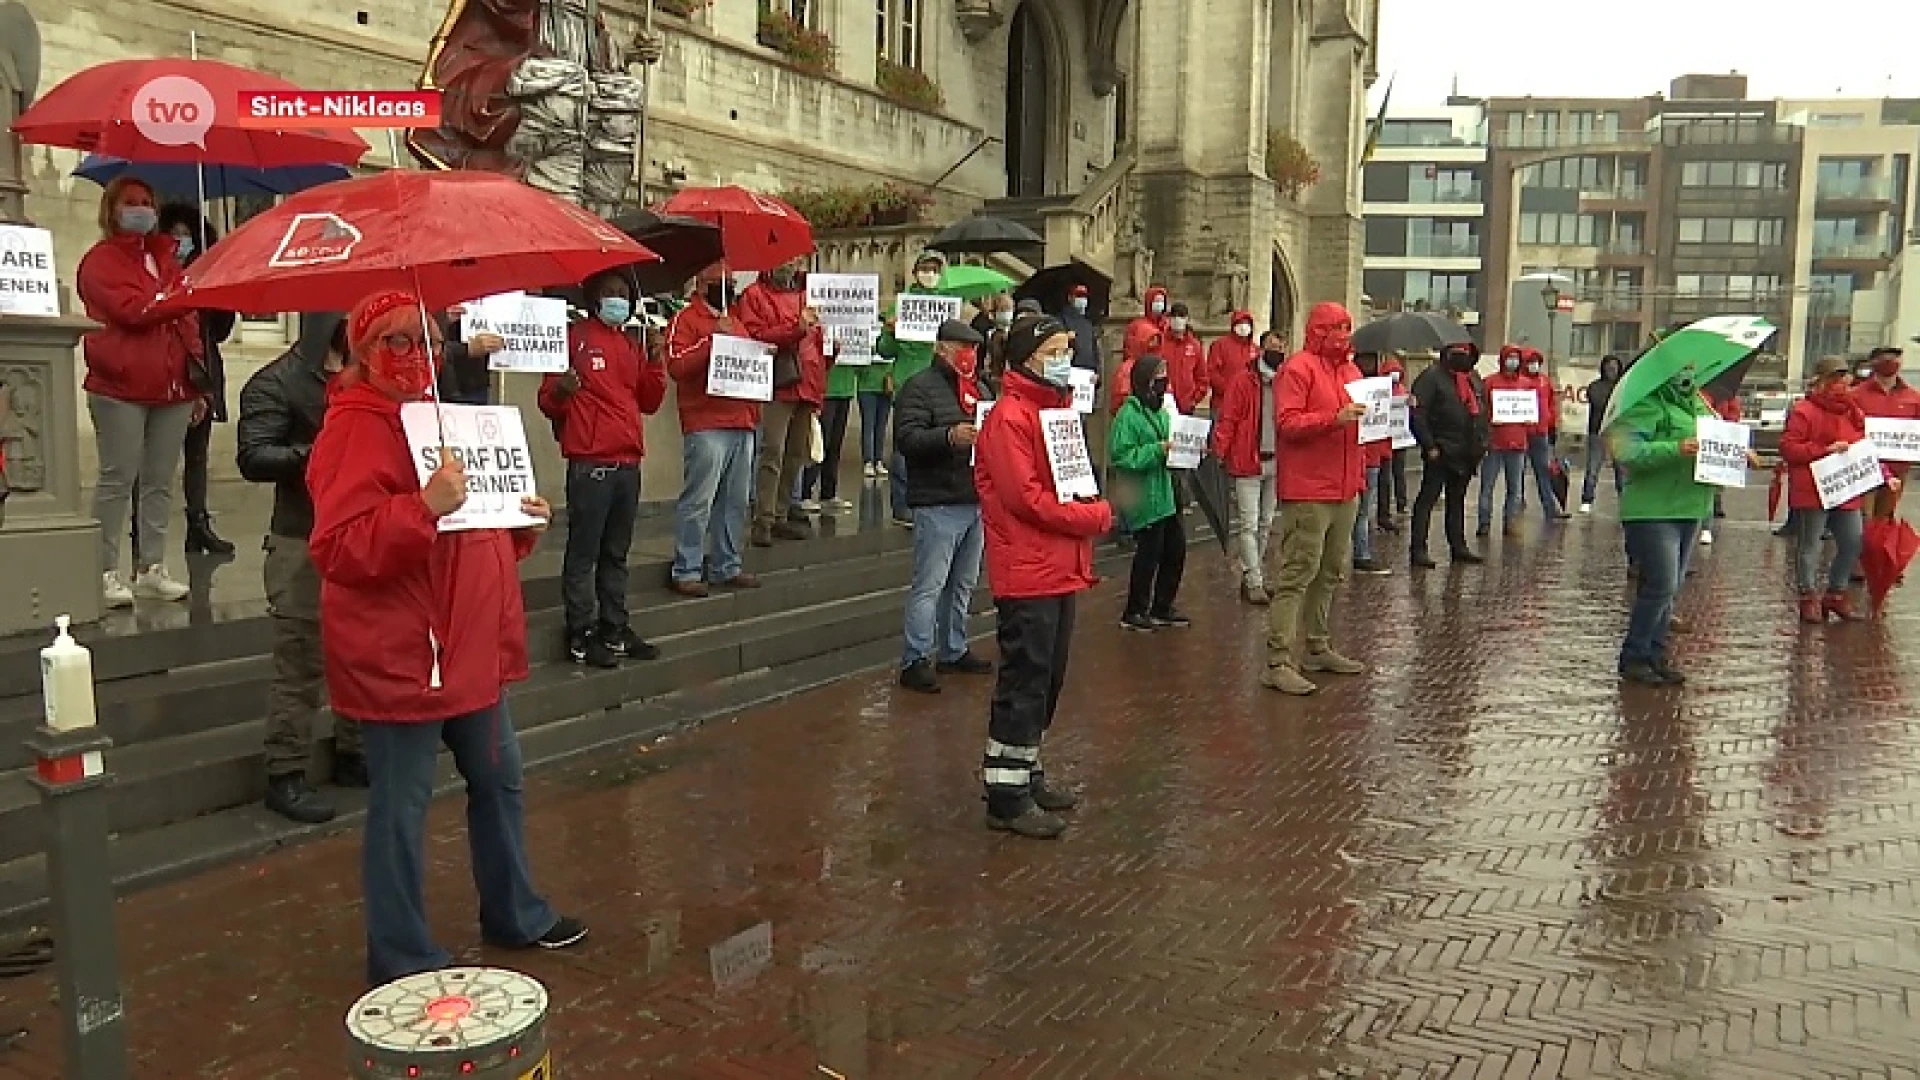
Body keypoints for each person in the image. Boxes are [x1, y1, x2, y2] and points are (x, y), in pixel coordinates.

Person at [307, 289, 586, 986]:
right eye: (397, 342)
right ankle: (400, 952)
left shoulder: (443, 417)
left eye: (428, 341)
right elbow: (340, 549)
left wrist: (515, 522)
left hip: (468, 647)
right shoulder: (353, 429)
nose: (417, 356)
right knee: (400, 808)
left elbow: (468, 534)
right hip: (403, 655)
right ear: (363, 355)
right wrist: (422, 508)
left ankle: (515, 911)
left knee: (501, 782)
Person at [975, 317, 1113, 839]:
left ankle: (1024, 769)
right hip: (1028, 568)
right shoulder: (1012, 417)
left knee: (1047, 677)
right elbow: (1025, 499)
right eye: (1055, 350)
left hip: (1057, 565)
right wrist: (1092, 517)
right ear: (1030, 357)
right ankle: (1006, 796)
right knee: (1025, 677)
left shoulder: (1054, 411)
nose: (1064, 359)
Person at [236, 311, 363, 825]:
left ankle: (356, 751)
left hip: (358, 533)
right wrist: (318, 453)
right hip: (301, 537)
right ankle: (286, 771)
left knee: (358, 651)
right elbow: (254, 457)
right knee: (301, 661)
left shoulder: (364, 376)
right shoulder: (275, 382)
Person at [76, 176, 201, 606]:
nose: (141, 209)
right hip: (119, 386)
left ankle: (151, 566)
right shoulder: (101, 262)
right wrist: (179, 297)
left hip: (172, 388)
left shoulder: (165, 258)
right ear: (111, 210)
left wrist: (196, 381)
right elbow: (134, 311)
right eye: (131, 202)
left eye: (148, 202)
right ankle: (102, 570)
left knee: (159, 481)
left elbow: (187, 323)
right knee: (118, 478)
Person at [538, 270, 666, 668]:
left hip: (627, 462)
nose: (619, 300)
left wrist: (656, 360)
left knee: (616, 553)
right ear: (595, 298)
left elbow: (649, 401)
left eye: (625, 295)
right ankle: (581, 632)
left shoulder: (632, 345)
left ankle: (614, 627)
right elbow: (547, 399)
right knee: (584, 553)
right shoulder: (574, 340)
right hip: (591, 462)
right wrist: (563, 390)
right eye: (611, 294)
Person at [1263, 302, 1369, 697]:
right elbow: (1287, 423)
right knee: (1297, 573)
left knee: (1330, 571)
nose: (1343, 335)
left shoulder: (1351, 371)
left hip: (1343, 489)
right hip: (1309, 490)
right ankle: (1277, 661)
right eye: (1336, 329)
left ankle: (1317, 645)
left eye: (1347, 328)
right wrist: (1334, 419)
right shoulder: (1298, 368)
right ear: (1319, 331)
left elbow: (1362, 429)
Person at [893, 320, 994, 693]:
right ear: (942, 349)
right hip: (937, 499)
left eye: (973, 349)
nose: (969, 356)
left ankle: (953, 648)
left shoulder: (980, 388)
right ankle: (915, 658)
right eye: (961, 348)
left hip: (973, 497)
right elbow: (906, 438)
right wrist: (949, 436)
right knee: (930, 584)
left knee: (963, 583)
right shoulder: (919, 387)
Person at [1608, 358, 1716, 685]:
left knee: (1670, 588)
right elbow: (1627, 453)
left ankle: (1655, 653)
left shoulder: (1700, 405)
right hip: (1652, 509)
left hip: (1690, 505)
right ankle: (1635, 655)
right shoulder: (1644, 406)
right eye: (1681, 367)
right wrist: (1676, 447)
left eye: (1691, 367)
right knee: (1661, 584)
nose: (1688, 373)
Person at [665, 264, 762, 598]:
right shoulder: (686, 319)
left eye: (732, 283)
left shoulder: (735, 322)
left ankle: (726, 564)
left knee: (734, 501)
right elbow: (676, 364)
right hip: (705, 423)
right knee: (699, 501)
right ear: (701, 284)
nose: (728, 288)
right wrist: (711, 340)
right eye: (721, 283)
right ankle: (687, 568)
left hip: (740, 422)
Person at [1781, 355, 1887, 624]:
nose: (1840, 383)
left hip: (1845, 490)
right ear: (1821, 381)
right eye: (1834, 378)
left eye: (1843, 378)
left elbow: (1864, 449)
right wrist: (1823, 451)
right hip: (1813, 490)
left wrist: (1884, 475)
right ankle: (1808, 597)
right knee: (1810, 545)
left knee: (1853, 541)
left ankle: (1835, 593)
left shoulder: (1852, 411)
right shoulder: (1804, 410)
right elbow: (1789, 448)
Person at [157, 204, 237, 557]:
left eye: (186, 233)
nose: (180, 239)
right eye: (173, 232)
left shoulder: (206, 271)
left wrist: (220, 298)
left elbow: (219, 331)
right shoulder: (158, 273)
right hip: (165, 371)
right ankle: (144, 534)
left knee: (197, 454)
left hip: (202, 368)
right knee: (157, 457)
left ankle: (198, 524)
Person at [737, 256, 828, 547]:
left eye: (795, 259)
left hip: (806, 382)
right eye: (783, 259)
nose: (789, 264)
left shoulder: (807, 293)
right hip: (778, 383)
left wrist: (832, 353)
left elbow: (816, 344)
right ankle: (763, 518)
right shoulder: (754, 294)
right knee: (772, 452)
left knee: (795, 455)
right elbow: (755, 337)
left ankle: (780, 513)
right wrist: (796, 328)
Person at [1109, 354, 1188, 631]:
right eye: (1158, 375)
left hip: (1165, 493)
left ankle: (1162, 605)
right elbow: (1121, 455)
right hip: (1144, 495)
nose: (1164, 380)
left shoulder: (1162, 412)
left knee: (1174, 550)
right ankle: (1135, 609)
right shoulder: (1127, 415)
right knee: (1148, 554)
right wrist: (1157, 450)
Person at [875, 250, 951, 522]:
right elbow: (884, 350)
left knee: (936, 445)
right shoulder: (901, 305)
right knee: (903, 447)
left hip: (939, 385)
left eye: (934, 269)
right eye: (925, 268)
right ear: (916, 272)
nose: (929, 273)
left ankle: (929, 498)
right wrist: (890, 332)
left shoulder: (946, 304)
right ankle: (901, 505)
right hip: (906, 383)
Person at [1212, 330, 1280, 604]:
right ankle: (1254, 580)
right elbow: (1228, 418)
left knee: (1265, 524)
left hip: (1276, 461)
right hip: (1247, 460)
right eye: (1273, 346)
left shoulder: (1285, 381)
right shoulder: (1242, 382)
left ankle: (1253, 574)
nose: (1277, 351)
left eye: (1281, 346)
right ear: (1262, 349)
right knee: (1249, 524)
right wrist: (1221, 448)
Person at [1408, 342, 1490, 568]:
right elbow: (1418, 413)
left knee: (1457, 501)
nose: (1463, 358)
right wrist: (1429, 444)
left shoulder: (1473, 379)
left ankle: (1458, 545)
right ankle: (1418, 549)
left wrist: (1483, 441)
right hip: (1441, 448)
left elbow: (1482, 409)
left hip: (1466, 450)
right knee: (1428, 499)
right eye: (1458, 354)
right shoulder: (1431, 377)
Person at [1854, 346, 1919, 523]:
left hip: (1898, 467)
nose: (1890, 363)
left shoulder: (1913, 397)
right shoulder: (1856, 395)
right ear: (1873, 363)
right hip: (1864, 466)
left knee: (1884, 519)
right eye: (1885, 359)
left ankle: (1880, 550)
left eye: (1895, 358)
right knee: (1863, 518)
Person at [1477, 345, 1532, 538]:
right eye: (1510, 357)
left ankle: (1510, 522)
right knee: (1487, 487)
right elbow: (1481, 410)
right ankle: (1484, 523)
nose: (1513, 361)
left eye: (1516, 358)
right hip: (1494, 443)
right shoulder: (1489, 382)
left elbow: (1532, 411)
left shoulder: (1526, 384)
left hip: (1518, 442)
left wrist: (1530, 421)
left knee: (1515, 489)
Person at [1348, 352, 1394, 575]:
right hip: (1353, 455)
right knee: (1350, 510)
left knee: (1364, 510)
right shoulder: (1349, 385)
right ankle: (1357, 553)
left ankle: (1361, 553)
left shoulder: (1382, 389)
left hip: (1372, 456)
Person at [800, 336, 858, 513]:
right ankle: (805, 492)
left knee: (835, 444)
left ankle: (829, 492)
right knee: (818, 443)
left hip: (846, 388)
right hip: (827, 388)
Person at [1522, 347, 1570, 520]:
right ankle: (1517, 506)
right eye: (1530, 362)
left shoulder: (1544, 381)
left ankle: (1550, 508)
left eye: (1535, 362)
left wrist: (1552, 426)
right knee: (1518, 473)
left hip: (1541, 432)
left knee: (1543, 472)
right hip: (1522, 433)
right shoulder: (1520, 380)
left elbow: (1551, 405)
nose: (1533, 365)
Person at [1579, 354, 1624, 513]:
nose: (1612, 369)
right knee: (1593, 468)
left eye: (1615, 366)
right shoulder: (1594, 386)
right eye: (1609, 366)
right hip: (1597, 432)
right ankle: (1587, 499)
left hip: (1619, 432)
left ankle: (1624, 501)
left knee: (1621, 469)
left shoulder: (1624, 387)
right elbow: (1598, 402)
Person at [1698, 387, 1742, 544]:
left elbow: (1734, 415)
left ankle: (1706, 527)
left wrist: (1723, 422)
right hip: (1702, 440)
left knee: (1710, 486)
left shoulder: (1727, 394)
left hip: (1719, 441)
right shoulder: (1699, 392)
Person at [855, 331, 895, 482]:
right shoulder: (864, 337)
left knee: (881, 426)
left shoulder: (889, 338)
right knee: (869, 425)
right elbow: (857, 365)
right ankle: (868, 460)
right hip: (866, 387)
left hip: (885, 386)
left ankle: (878, 459)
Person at [1378, 350, 1411, 524]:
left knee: (1399, 472)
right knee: (1385, 476)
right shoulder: (1380, 392)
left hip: (1399, 438)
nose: (1395, 375)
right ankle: (1384, 509)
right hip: (1385, 440)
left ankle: (1401, 503)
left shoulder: (1403, 390)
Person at [1207, 310, 1259, 412]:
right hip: (1222, 403)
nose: (1243, 326)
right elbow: (1212, 372)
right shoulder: (1220, 345)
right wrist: (1230, 391)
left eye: (1247, 323)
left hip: (1246, 406)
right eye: (1240, 323)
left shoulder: (1255, 349)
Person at [1160, 302, 1207, 414]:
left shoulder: (1195, 345)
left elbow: (1202, 376)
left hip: (1186, 406)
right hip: (1163, 404)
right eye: (1174, 316)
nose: (1177, 320)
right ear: (1169, 319)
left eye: (1181, 316)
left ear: (1187, 319)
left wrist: (1194, 399)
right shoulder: (1160, 342)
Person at [1059, 284, 1102, 378]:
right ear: (1070, 298)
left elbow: (1095, 351)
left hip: (1089, 376)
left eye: (1085, 296)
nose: (1082, 300)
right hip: (1070, 374)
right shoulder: (1061, 320)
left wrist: (1097, 373)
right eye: (1079, 296)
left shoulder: (1088, 324)